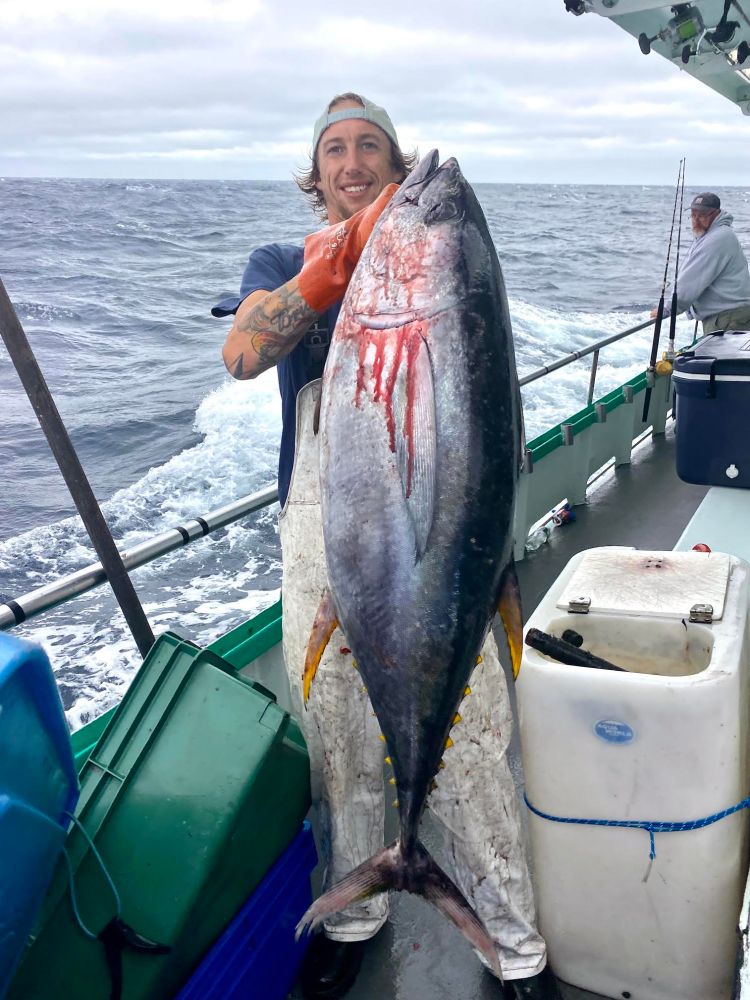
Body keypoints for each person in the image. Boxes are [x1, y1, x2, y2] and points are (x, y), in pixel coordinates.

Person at [213, 93, 560, 1000]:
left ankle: (513, 947)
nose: (352, 158)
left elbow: (488, 420)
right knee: (337, 742)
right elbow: (244, 353)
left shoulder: (443, 260)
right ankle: (360, 910)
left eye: (371, 144)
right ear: (317, 172)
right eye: (335, 147)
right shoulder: (285, 261)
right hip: (324, 540)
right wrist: (326, 275)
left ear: (396, 167)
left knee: (474, 747)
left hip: (440, 544)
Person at [651, 192, 750, 333]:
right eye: (693, 215)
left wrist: (667, 310)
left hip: (728, 319)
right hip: (730, 317)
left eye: (702, 215)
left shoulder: (717, 238)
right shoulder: (714, 234)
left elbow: (691, 279)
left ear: (716, 213)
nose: (696, 220)